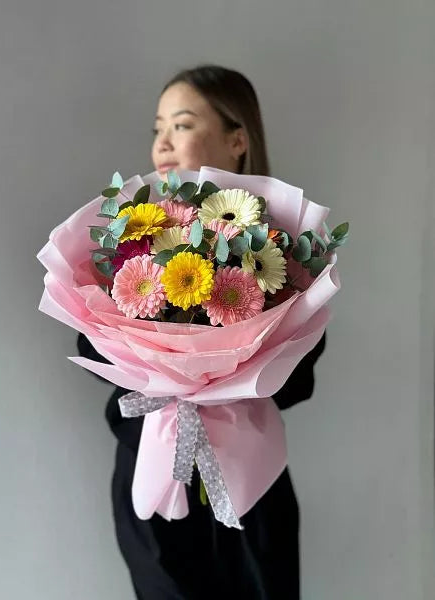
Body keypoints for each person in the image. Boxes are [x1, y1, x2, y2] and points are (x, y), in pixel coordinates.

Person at [77, 64, 326, 600]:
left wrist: (229, 379)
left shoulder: (278, 249)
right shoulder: (131, 238)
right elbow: (92, 349)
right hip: (157, 476)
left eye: (183, 124)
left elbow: (299, 375)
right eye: (158, 128)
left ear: (238, 139)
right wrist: (172, 380)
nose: (163, 142)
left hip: (250, 482)